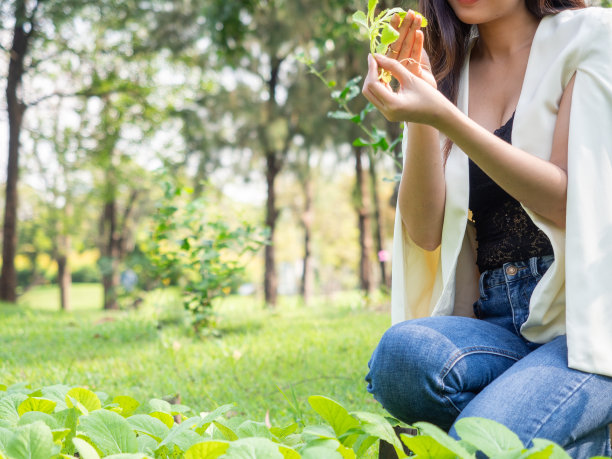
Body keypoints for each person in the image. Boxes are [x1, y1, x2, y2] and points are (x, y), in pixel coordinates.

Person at [361, 0, 612, 456]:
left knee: (482, 442)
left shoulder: (592, 35)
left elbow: (564, 201)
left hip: (588, 326)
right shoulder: (450, 72)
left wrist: (445, 117)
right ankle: (573, 433)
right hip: (498, 321)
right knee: (401, 356)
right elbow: (425, 230)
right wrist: (423, 113)